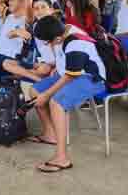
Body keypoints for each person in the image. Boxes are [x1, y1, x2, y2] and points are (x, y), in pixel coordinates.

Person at [28, 16, 107, 173]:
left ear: (57, 38)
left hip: (89, 78)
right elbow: (64, 69)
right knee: (34, 91)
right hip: (69, 73)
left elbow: (71, 76)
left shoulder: (76, 43)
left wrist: (48, 94)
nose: (47, 45)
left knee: (56, 102)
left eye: (48, 42)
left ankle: (62, 158)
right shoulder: (62, 30)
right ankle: (50, 134)